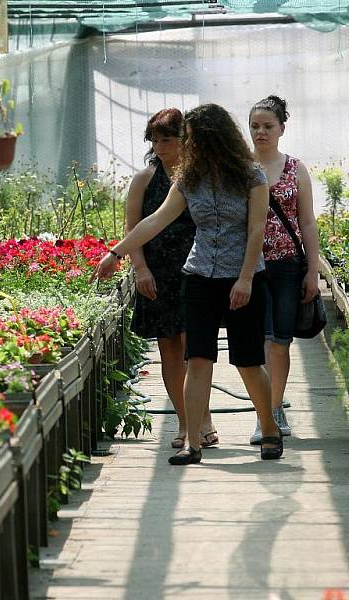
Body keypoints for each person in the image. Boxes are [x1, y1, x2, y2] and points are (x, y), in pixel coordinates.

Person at [91, 103, 283, 465]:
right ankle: (192, 442)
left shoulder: (251, 175)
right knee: (197, 359)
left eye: (191, 138)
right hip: (198, 277)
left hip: (242, 276)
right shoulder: (187, 179)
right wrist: (116, 253)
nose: (185, 144)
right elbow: (156, 220)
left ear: (211, 138)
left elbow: (257, 229)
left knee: (247, 361)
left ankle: (269, 427)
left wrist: (244, 279)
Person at [125, 108, 217, 450]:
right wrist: (141, 269)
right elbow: (133, 228)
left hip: (195, 271)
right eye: (155, 139)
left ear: (185, 139)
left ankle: (202, 418)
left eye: (167, 139)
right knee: (169, 349)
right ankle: (183, 421)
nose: (160, 146)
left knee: (196, 348)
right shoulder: (145, 180)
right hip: (158, 274)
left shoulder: (200, 177)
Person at [248, 95, 320, 443]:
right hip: (251, 265)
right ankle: (263, 415)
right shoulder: (242, 168)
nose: (260, 132)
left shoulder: (295, 168)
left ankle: (274, 408)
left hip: (288, 266)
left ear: (281, 129)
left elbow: (307, 221)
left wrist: (312, 270)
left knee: (280, 341)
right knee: (259, 340)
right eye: (255, 126)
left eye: (267, 126)